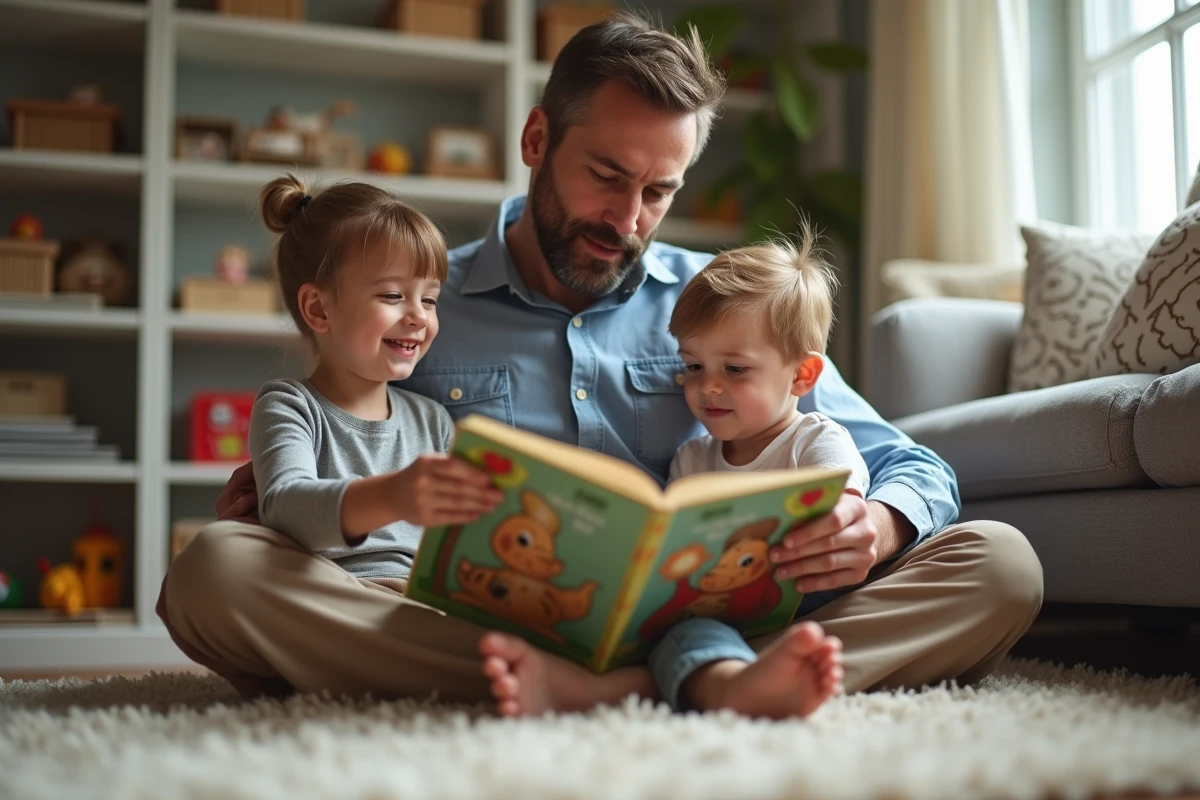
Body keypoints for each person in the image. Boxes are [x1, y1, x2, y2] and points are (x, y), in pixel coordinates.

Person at [160, 12, 1043, 710]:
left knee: (1001, 565)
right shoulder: (424, 309)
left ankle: (646, 684)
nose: (627, 218)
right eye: (607, 175)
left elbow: (909, 464)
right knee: (216, 569)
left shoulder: (728, 305)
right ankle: (699, 690)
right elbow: (346, 439)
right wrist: (282, 504)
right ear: (537, 139)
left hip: (706, 614)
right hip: (487, 619)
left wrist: (879, 528)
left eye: (658, 190)